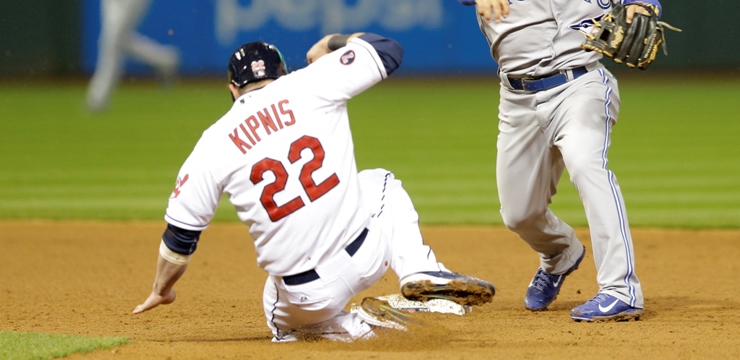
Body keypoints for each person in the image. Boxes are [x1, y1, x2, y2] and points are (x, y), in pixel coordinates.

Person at [132, 32, 495, 342]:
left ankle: (356, 329)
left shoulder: (212, 143)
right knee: (381, 181)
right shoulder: (310, 81)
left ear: (232, 89)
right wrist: (332, 43)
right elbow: (388, 50)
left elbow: (180, 239)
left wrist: (161, 289)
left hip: (305, 296)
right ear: (282, 72)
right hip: (367, 255)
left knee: (281, 322)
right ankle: (417, 269)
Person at [449, 0, 655, 322]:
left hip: (579, 83)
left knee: (587, 164)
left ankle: (621, 289)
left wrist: (641, 8)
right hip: (517, 95)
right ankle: (561, 253)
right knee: (519, 214)